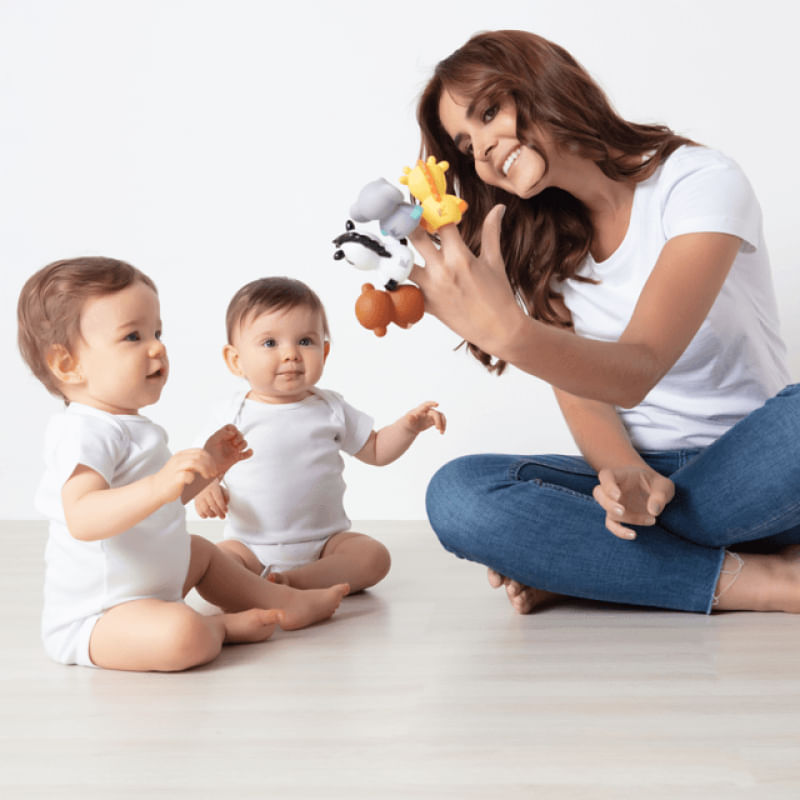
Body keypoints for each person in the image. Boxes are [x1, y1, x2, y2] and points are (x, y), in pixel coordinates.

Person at [408, 29, 800, 615]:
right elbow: (584, 395)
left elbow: (640, 366)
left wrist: (508, 333)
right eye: (467, 147)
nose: (483, 150)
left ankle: (596, 566)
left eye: (489, 113)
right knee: (459, 494)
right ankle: (763, 581)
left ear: (545, 84)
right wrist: (624, 472)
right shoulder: (542, 241)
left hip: (754, 470)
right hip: (648, 482)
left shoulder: (697, 181)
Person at [17, 257, 350, 671]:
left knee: (203, 552)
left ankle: (286, 600)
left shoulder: (132, 426)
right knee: (182, 634)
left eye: (156, 333)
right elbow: (82, 517)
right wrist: (158, 484)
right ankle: (219, 628)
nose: (157, 347)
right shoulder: (84, 432)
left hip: (154, 586)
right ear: (68, 364)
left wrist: (209, 467)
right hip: (100, 617)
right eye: (133, 336)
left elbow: (164, 502)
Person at [193, 276, 446, 592]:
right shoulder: (231, 415)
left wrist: (408, 427)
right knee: (212, 566)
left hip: (326, 545)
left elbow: (377, 450)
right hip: (249, 546)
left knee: (374, 557)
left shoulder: (331, 407)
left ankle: (291, 583)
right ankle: (265, 585)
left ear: (324, 352)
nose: (291, 354)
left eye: (305, 341)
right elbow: (199, 464)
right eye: (270, 343)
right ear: (236, 360)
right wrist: (207, 487)